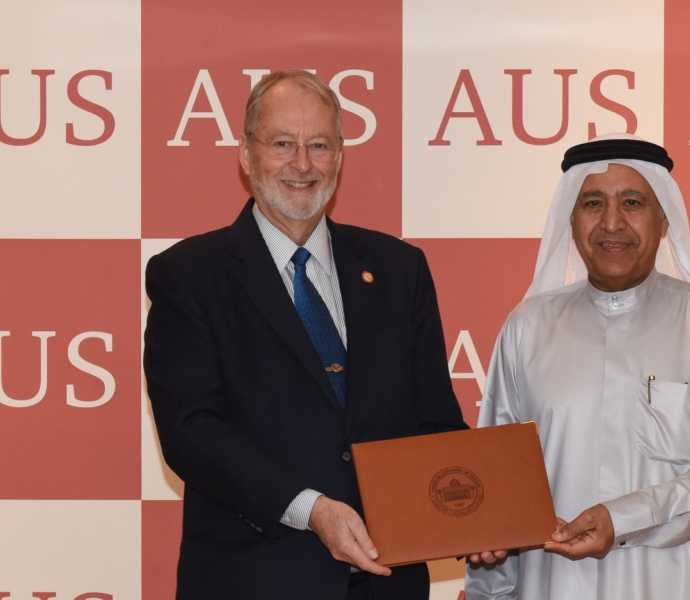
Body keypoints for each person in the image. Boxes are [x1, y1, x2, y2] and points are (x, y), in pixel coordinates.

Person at [144, 70, 468, 600]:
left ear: (339, 156)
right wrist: (311, 509)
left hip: (387, 584)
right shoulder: (189, 275)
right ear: (246, 155)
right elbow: (191, 432)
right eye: (282, 144)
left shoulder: (398, 268)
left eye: (319, 144)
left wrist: (478, 517)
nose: (302, 164)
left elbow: (434, 423)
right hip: (252, 585)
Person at [465, 134, 690, 599]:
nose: (612, 222)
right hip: (557, 586)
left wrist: (622, 519)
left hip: (680, 585)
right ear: (570, 220)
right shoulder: (528, 327)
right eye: (592, 203)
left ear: (663, 219)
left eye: (632, 202)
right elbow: (498, 483)